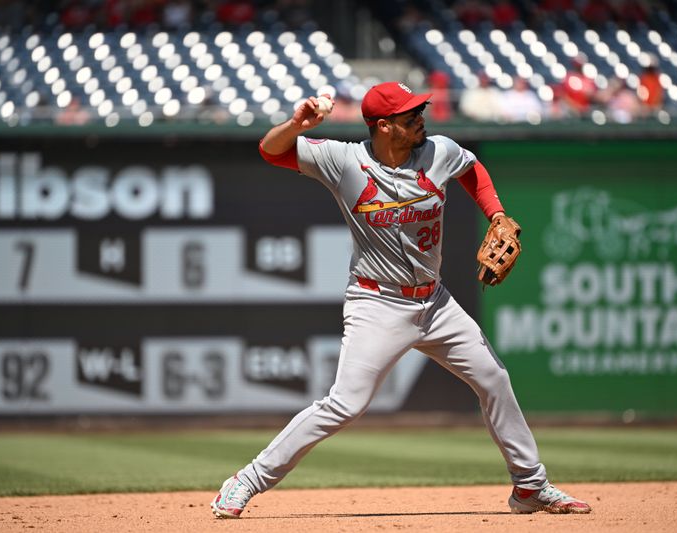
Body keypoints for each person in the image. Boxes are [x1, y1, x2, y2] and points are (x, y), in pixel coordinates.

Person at [210, 82, 593, 519]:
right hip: (377, 304)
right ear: (385, 127)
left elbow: (471, 170)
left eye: (419, 110)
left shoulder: (438, 151)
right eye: (411, 115)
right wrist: (297, 125)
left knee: (494, 378)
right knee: (345, 404)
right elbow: (271, 151)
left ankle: (530, 485)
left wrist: (497, 213)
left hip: (435, 302)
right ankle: (246, 481)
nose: (421, 119)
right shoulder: (343, 160)